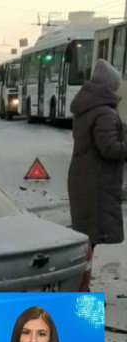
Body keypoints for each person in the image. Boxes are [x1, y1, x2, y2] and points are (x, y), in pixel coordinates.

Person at [68, 58, 127, 249]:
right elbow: (109, 148)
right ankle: (82, 277)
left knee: (87, 237)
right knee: (91, 237)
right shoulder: (105, 113)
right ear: (109, 87)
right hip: (98, 183)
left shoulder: (87, 108)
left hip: (85, 179)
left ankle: (83, 275)